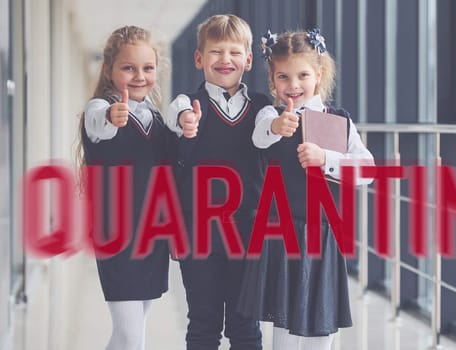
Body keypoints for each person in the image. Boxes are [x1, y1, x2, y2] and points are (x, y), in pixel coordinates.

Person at [237, 29, 374, 350]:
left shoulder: (339, 121)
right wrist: (277, 127)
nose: (293, 85)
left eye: (302, 75)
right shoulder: (270, 115)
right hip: (280, 232)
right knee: (283, 331)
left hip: (322, 234)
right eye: (283, 76)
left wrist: (326, 158)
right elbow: (260, 137)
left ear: (319, 74)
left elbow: (367, 170)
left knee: (319, 329)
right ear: (272, 78)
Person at [166, 14, 270, 350]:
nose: (225, 60)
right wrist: (186, 120)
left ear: (249, 60)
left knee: (246, 326)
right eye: (216, 52)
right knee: (202, 324)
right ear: (199, 58)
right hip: (198, 233)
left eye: (235, 52)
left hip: (248, 233)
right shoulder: (188, 105)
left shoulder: (262, 109)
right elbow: (176, 113)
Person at [78, 25, 171, 350]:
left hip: (153, 235)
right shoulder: (100, 109)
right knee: (132, 337)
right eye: (128, 67)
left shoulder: (156, 116)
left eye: (148, 68)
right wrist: (112, 116)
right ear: (109, 70)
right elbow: (99, 123)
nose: (139, 76)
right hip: (117, 236)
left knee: (128, 334)